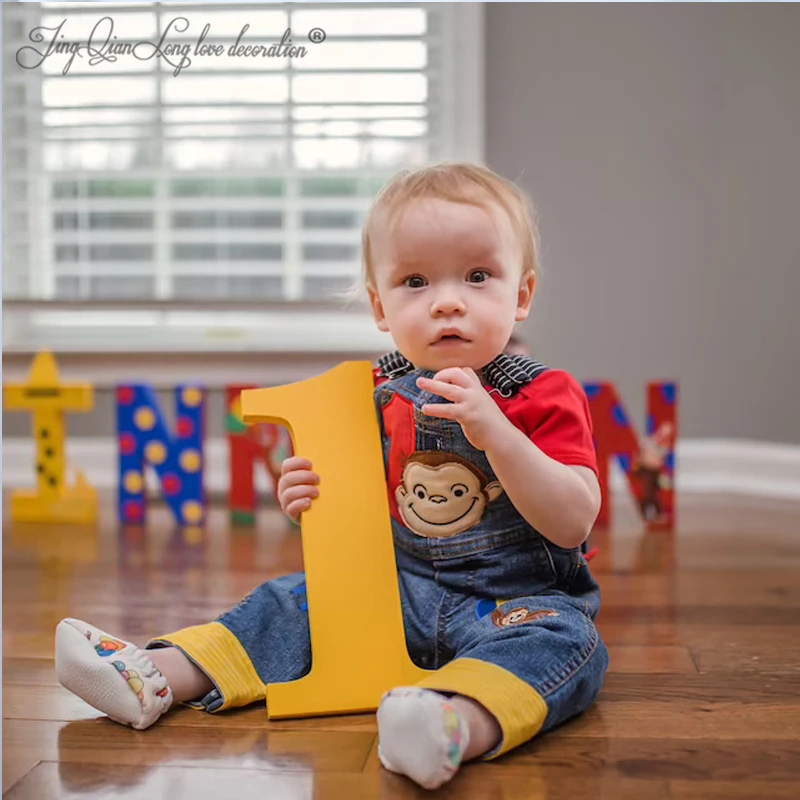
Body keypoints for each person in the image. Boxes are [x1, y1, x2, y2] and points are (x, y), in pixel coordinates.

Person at [55, 163, 608, 791]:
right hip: (395, 594)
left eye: (478, 277)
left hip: (516, 602)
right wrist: (306, 498)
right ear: (380, 305)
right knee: (290, 601)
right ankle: (159, 676)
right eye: (415, 280)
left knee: (568, 645)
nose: (448, 300)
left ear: (522, 295)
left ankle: (449, 724)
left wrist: (498, 434)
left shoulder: (544, 395)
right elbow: (353, 514)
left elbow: (571, 521)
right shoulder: (371, 395)